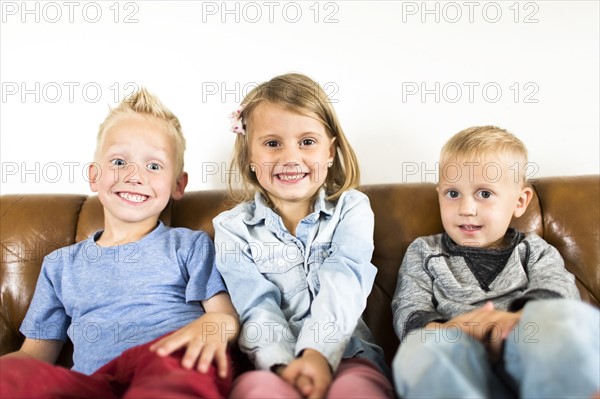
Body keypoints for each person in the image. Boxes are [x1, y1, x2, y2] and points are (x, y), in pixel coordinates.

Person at [0, 88, 239, 398]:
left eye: (154, 166)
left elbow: (225, 316)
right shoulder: (60, 265)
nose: (134, 175)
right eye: (118, 161)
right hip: (92, 382)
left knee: (181, 367)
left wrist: (209, 328)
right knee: (13, 373)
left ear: (178, 184)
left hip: (169, 360)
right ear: (94, 175)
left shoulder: (189, 245)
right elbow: (35, 354)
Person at [213, 73, 393, 399]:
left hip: (348, 356)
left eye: (307, 142)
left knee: (358, 391)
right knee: (256, 392)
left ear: (330, 151)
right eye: (272, 143)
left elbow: (345, 278)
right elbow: (256, 306)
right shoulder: (231, 228)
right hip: (270, 366)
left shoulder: (352, 208)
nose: (290, 157)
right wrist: (284, 366)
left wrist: (316, 354)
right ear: (249, 156)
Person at [392, 126, 600, 398]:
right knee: (419, 349)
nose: (466, 209)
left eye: (484, 194)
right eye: (453, 194)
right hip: (456, 351)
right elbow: (408, 309)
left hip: (523, 345)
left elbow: (559, 291)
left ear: (520, 201)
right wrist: (450, 329)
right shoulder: (423, 251)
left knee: (563, 318)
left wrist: (511, 322)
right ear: (439, 194)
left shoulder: (534, 250)